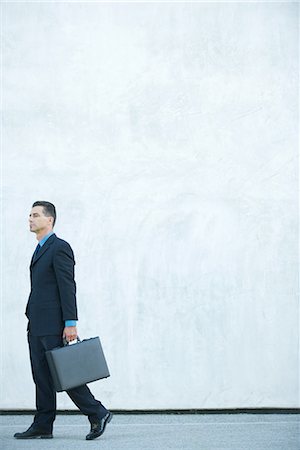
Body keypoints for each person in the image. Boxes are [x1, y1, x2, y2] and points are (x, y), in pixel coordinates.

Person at [14, 201, 112, 440]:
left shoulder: (59, 247)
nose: (30, 219)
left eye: (35, 215)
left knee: (64, 373)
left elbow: (67, 286)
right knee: (42, 375)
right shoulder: (39, 249)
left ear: (50, 220)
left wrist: (70, 323)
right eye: (29, 215)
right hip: (36, 323)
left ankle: (97, 412)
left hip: (53, 323)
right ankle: (43, 425)